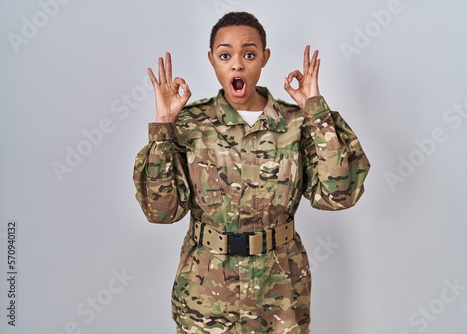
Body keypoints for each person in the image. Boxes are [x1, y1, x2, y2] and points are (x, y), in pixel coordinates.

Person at [133, 11, 370, 334]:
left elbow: (339, 196)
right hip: (206, 290)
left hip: (280, 289)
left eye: (249, 54)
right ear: (212, 60)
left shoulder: (295, 122)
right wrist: (163, 126)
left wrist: (315, 109)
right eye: (225, 55)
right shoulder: (190, 124)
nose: (237, 65)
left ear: (264, 58)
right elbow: (161, 212)